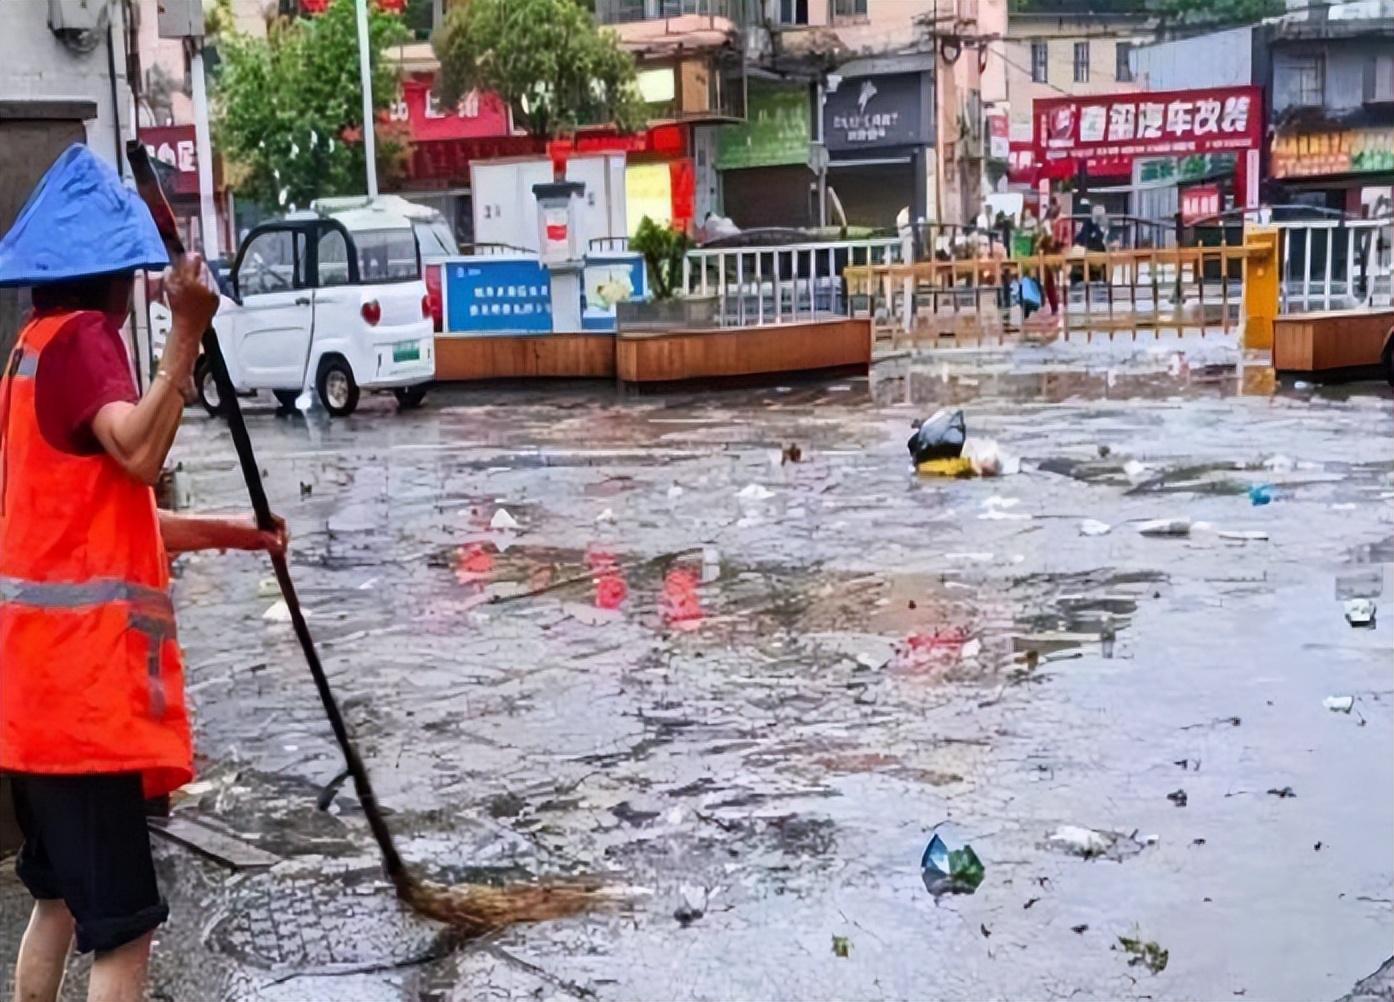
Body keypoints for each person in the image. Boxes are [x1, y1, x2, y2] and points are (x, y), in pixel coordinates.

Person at [0, 144, 287, 1002]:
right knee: (126, 934)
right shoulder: (87, 341)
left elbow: (118, 522)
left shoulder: (29, 352)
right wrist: (189, 336)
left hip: (30, 701)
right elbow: (138, 452)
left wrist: (240, 534)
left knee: (55, 907)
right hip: (82, 710)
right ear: (112, 279)